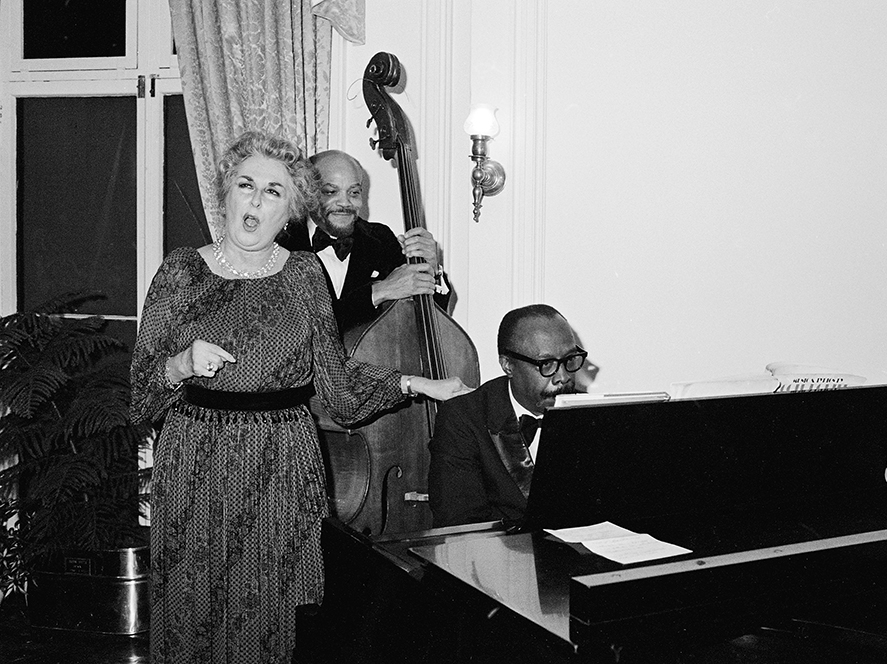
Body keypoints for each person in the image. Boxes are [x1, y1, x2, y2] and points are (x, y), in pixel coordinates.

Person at [129, 130, 469, 664]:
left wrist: (416, 383)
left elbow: (337, 388)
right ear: (225, 192)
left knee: (271, 621)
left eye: (274, 191)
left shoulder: (305, 274)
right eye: (246, 185)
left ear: (290, 209)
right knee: (193, 616)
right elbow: (139, 397)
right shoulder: (181, 270)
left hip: (282, 463)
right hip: (196, 462)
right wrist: (179, 364)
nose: (256, 201)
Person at [428, 304, 586, 527]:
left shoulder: (588, 411)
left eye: (570, 359)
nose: (563, 377)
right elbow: (459, 524)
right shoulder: (462, 418)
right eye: (546, 364)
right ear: (508, 365)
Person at [279, 149, 451, 337]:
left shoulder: (380, 238)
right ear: (307, 194)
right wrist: (379, 291)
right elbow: (294, 325)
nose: (345, 202)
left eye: (354, 192)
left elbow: (425, 321)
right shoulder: (281, 243)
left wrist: (431, 271)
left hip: (372, 366)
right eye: (330, 191)